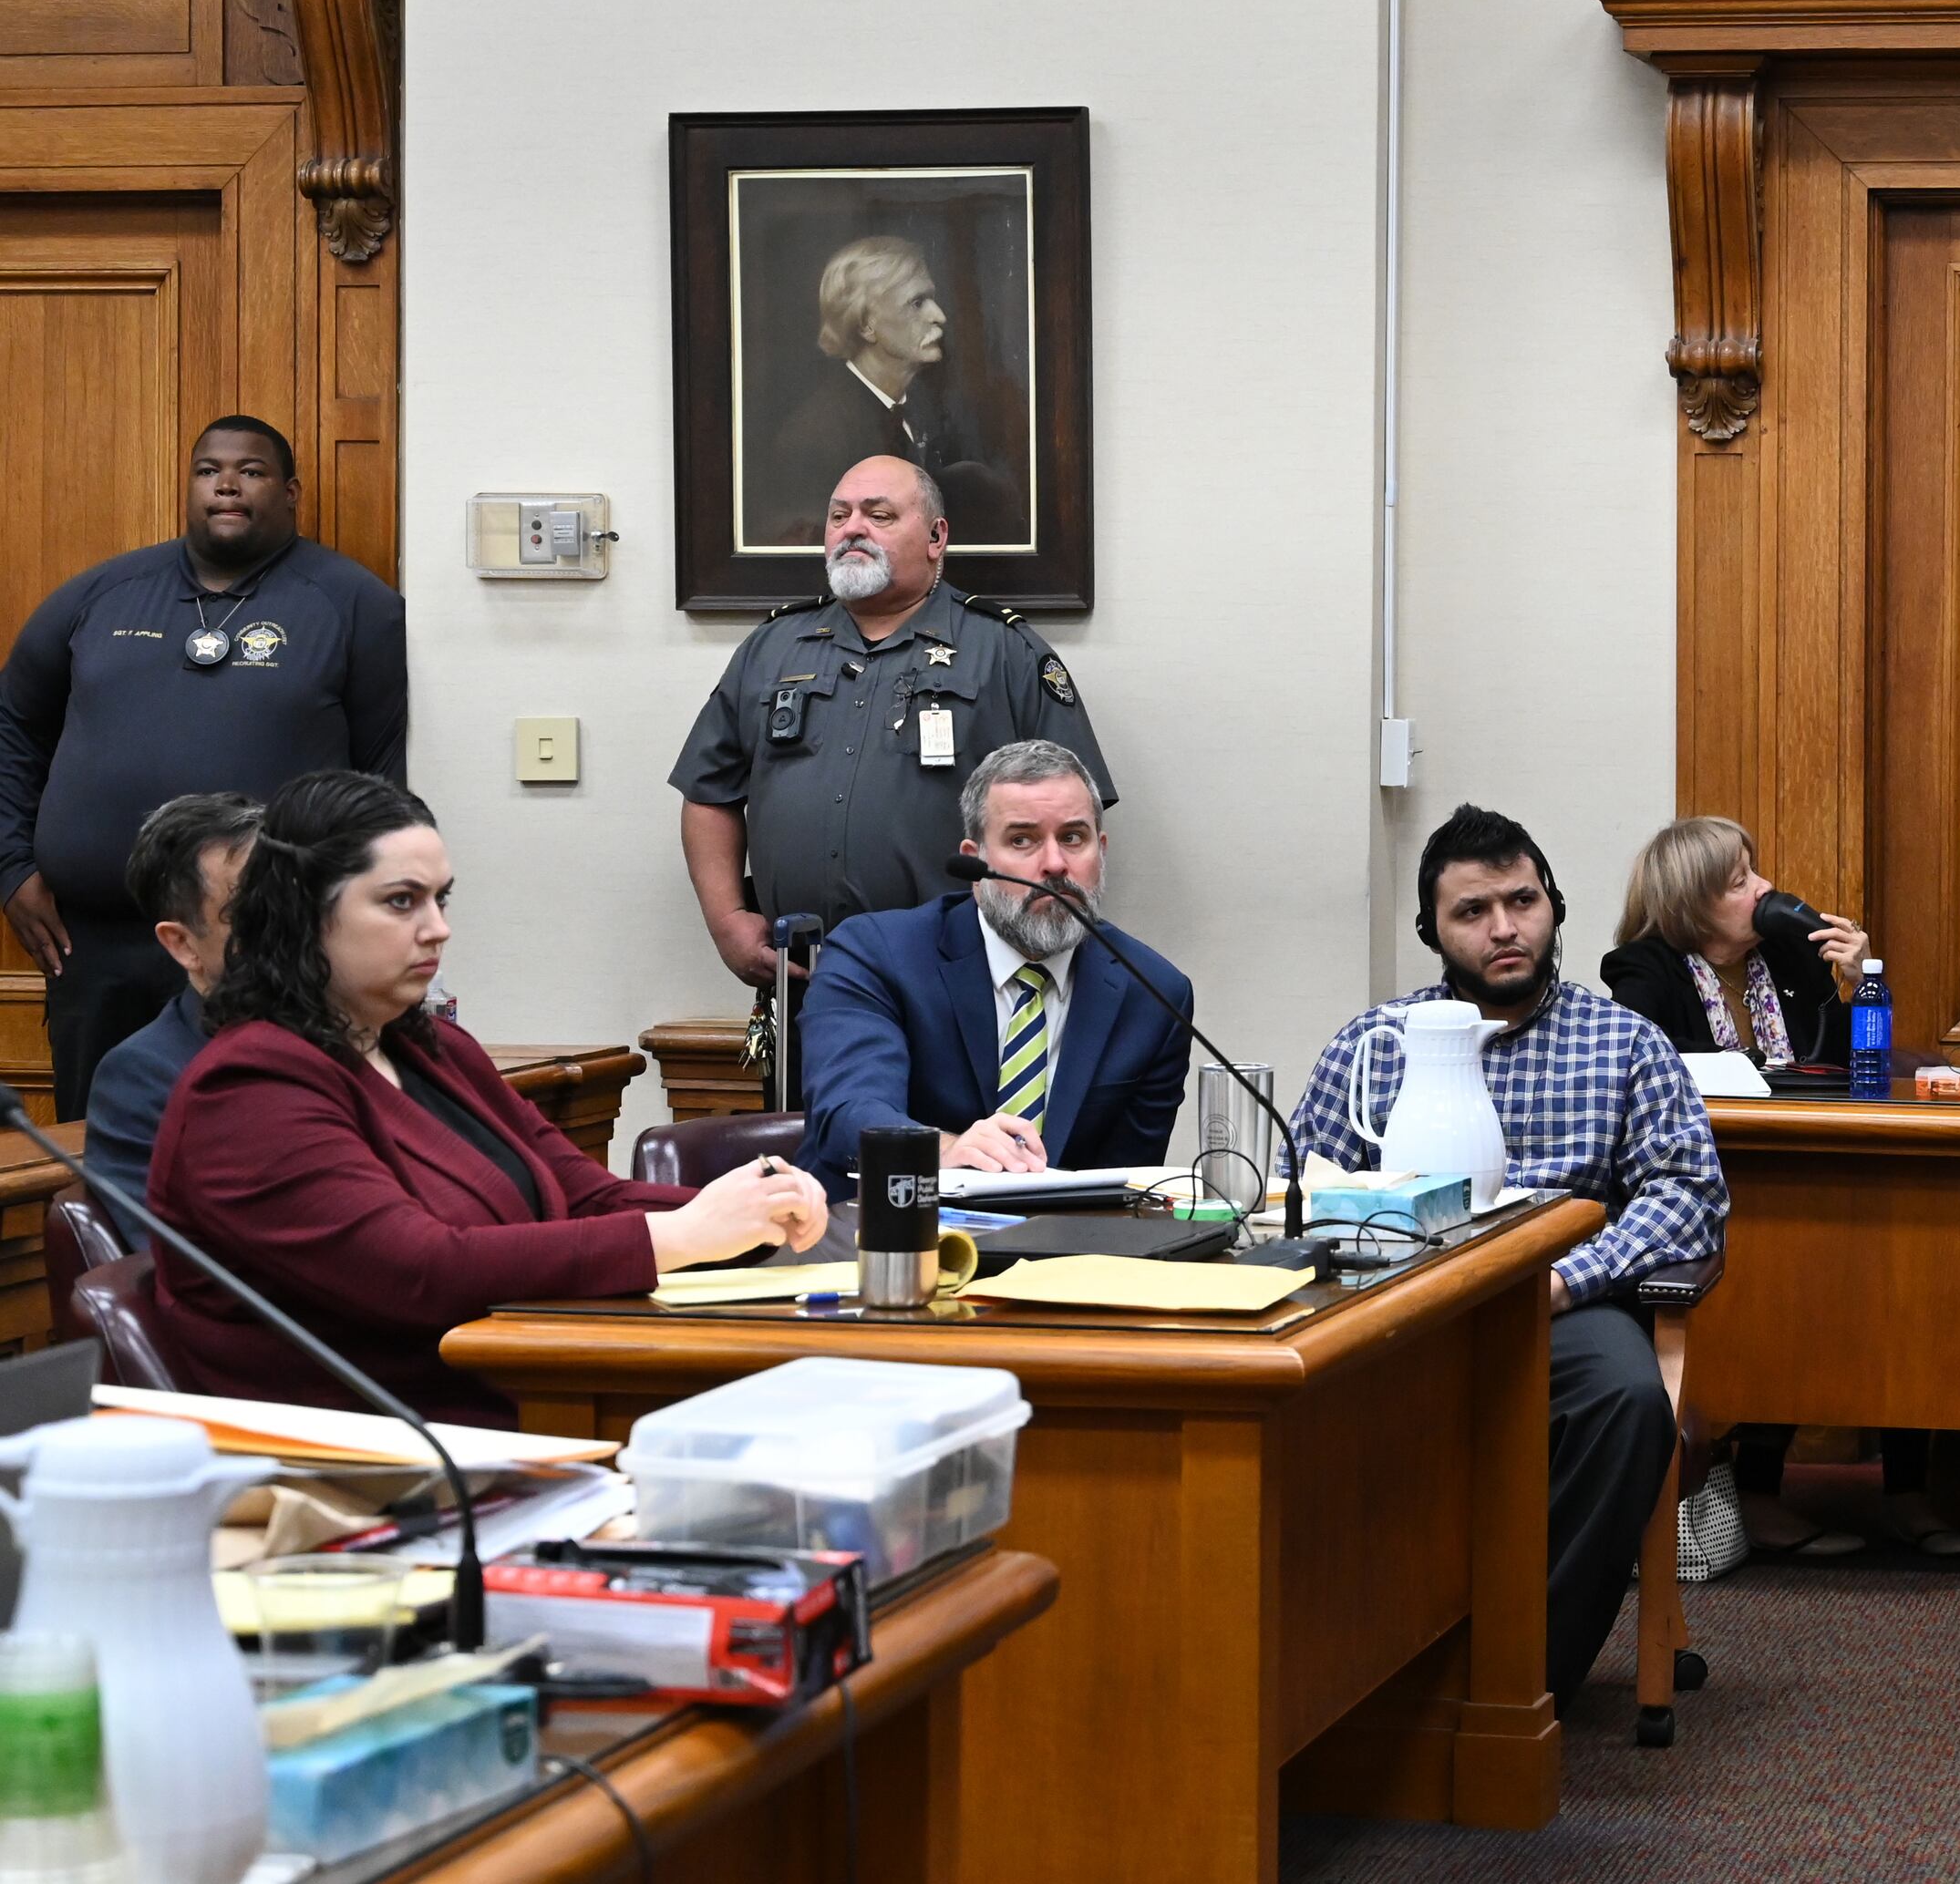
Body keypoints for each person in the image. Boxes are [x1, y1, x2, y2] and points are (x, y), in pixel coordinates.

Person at [146, 772, 827, 1427]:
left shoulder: (430, 1046)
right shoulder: (247, 1089)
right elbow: (418, 1270)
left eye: (442, 898)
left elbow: (584, 1194)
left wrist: (756, 1213)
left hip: (514, 1398)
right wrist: (679, 1235)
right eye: (401, 901)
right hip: (375, 1457)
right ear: (304, 913)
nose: (438, 927)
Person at [1294, 805, 1727, 1704]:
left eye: (1522, 901)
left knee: (1628, 1396)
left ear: (1553, 908)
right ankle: (1336, 1670)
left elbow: (1688, 1198)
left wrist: (1570, 1281)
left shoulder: (1625, 1044)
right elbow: (1305, 1189)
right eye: (1472, 911)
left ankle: (1511, 1680)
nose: (1504, 928)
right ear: (1432, 932)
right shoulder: (1372, 1044)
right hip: (1397, 1307)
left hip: (1560, 1306)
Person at [0, 417, 406, 1119]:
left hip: (268, 943)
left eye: (250, 470)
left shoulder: (354, 604)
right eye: (208, 469)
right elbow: (11, 725)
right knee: (103, 1146)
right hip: (95, 944)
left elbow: (376, 780)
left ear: (290, 492)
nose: (226, 483)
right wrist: (9, 864)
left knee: (255, 1138)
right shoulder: (98, 594)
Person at [1599, 818, 1960, 1558]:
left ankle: (1907, 1487)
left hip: (1822, 1166)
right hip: (1715, 1183)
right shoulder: (1643, 969)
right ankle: (1759, 1495)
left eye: (1755, 871)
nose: (1764, 889)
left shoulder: (1789, 961)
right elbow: (1646, 1067)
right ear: (1691, 901)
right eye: (1739, 881)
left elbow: (1837, 1066)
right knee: (1777, 1285)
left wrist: (1855, 980)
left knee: (1904, 1268)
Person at [670, 453, 1112, 1064]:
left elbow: (1069, 818)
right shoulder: (772, 649)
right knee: (818, 1147)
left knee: (949, 1151)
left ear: (937, 538)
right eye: (839, 515)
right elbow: (709, 790)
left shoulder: (1002, 651)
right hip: (806, 974)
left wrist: (1030, 939)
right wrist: (726, 921)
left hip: (958, 978)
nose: (853, 528)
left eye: (879, 515)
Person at [795, 739, 1192, 1196]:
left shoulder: (1155, 994)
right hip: (873, 1237)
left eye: (1073, 838)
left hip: (1056, 1251)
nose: (1055, 864)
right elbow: (849, 1111)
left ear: (1100, 852)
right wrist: (944, 1153)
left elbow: (1124, 1187)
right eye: (1021, 840)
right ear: (975, 862)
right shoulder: (875, 954)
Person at [754, 237, 1018, 547]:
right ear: (867, 324)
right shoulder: (816, 437)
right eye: (917, 302)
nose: (939, 316)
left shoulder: (926, 411)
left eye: (932, 299)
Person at [81, 792, 263, 1207]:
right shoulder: (143, 1077)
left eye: (290, 899)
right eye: (251, 910)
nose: (287, 924)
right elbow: (161, 1260)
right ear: (183, 944)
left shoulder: (357, 1035)